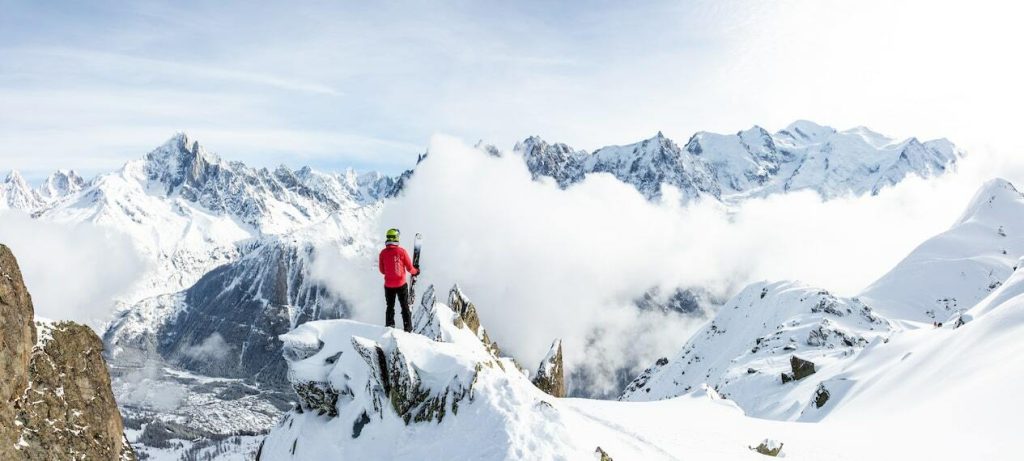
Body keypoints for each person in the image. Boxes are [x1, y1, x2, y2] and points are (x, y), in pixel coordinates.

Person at [379, 228, 419, 332]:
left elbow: (382, 271)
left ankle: (390, 326)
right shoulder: (402, 252)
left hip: (388, 285)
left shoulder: (383, 253)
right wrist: (416, 271)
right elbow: (410, 268)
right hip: (401, 284)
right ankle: (408, 328)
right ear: (396, 238)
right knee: (404, 306)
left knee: (390, 306)